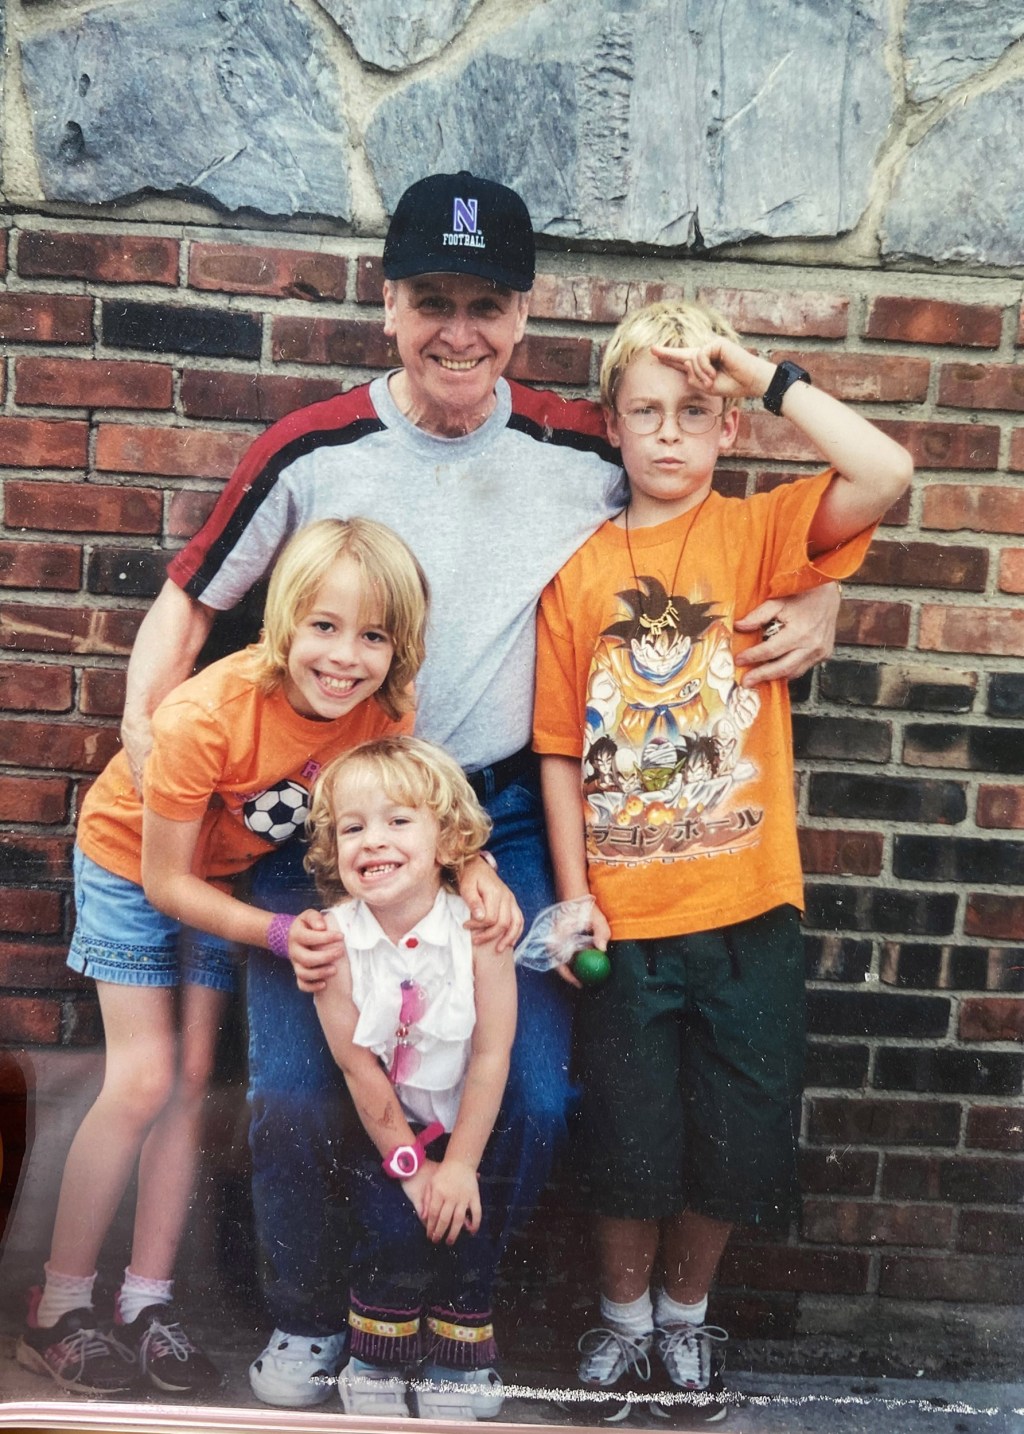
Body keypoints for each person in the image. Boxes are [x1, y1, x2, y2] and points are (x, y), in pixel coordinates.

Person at [117, 170, 843, 1407]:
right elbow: (188, 600)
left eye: (488, 304)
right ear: (388, 303)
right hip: (327, 823)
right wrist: (150, 745)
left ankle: (450, 1314)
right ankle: (310, 1319)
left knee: (538, 1097)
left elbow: (700, 524)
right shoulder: (313, 446)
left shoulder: (578, 447)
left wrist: (822, 596)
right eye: (432, 300)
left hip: (498, 822)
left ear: (523, 313)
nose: (460, 332)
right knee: (297, 1094)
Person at [533, 299, 913, 1422]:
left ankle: (688, 1321)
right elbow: (559, 748)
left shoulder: (758, 534)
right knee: (628, 1141)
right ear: (611, 425)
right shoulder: (579, 574)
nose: (665, 435)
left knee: (734, 1138)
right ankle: (623, 1321)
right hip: (625, 915)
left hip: (747, 905)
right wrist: (571, 898)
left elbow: (884, 470)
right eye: (643, 412)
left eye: (693, 412)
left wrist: (760, 371)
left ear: (727, 427)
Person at [17, 518, 429, 1398]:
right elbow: (166, 881)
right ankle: (55, 1306)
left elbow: (375, 820)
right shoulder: (210, 713)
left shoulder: (384, 712)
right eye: (324, 625)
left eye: (372, 635)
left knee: (197, 1076)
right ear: (284, 621)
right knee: (141, 1080)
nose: (345, 656)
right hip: (137, 867)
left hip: (222, 875)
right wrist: (282, 935)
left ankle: (146, 1300)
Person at [302, 736, 515, 1420]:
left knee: (468, 1226)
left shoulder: (479, 932)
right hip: (388, 1127)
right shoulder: (334, 943)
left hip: (468, 1126)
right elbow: (357, 1067)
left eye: (399, 821)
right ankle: (376, 1358)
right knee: (392, 1229)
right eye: (353, 827)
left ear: (449, 838)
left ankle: (458, 1364)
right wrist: (413, 1167)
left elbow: (490, 1056)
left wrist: (458, 1168)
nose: (374, 841)